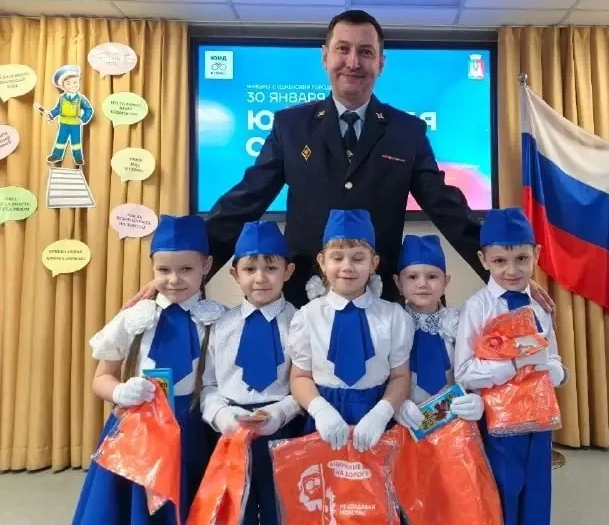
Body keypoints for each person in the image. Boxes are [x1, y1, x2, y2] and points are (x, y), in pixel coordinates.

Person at [126, 9, 556, 313]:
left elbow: (446, 206)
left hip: (380, 291)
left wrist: (502, 272)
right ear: (325, 57)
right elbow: (246, 200)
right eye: (343, 49)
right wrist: (189, 269)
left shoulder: (407, 130)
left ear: (381, 62)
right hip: (302, 292)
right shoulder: (291, 125)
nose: (353, 62)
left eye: (366, 52)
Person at [73, 214, 227, 524]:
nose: (174, 279)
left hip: (194, 432)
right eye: (164, 270)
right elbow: (101, 378)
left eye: (186, 269)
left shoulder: (220, 320)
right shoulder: (134, 319)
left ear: (207, 266)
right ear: (152, 269)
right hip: (138, 434)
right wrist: (120, 391)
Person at [454, 207, 567, 525]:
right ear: (483, 260)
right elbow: (464, 372)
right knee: (504, 488)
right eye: (500, 261)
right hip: (499, 422)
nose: (512, 270)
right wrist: (514, 365)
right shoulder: (477, 308)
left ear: (536, 254)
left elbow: (552, 354)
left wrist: (557, 371)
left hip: (540, 419)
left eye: (521, 258)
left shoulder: (540, 305)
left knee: (537, 489)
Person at [200, 220, 303, 525]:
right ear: (235, 274)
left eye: (271, 268)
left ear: (288, 272)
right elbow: (208, 384)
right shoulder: (220, 325)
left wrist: (280, 413)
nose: (260, 278)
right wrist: (220, 415)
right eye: (249, 269)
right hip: (231, 429)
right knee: (236, 508)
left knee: (280, 506)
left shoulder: (301, 323)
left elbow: (307, 381)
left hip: (284, 429)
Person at [287, 208, 413, 452]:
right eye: (337, 258)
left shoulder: (393, 316)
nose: (347, 267)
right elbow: (300, 376)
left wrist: (382, 413)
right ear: (322, 262)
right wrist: (320, 410)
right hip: (324, 418)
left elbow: (400, 376)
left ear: (373, 263)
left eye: (358, 258)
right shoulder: (307, 316)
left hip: (377, 416)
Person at [391, 234, 484, 429]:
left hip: (456, 425)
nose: (422, 284)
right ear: (398, 283)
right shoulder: (390, 324)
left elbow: (476, 367)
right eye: (412, 277)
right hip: (405, 427)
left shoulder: (460, 322)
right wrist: (395, 405)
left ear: (445, 282)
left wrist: (478, 398)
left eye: (432, 277)